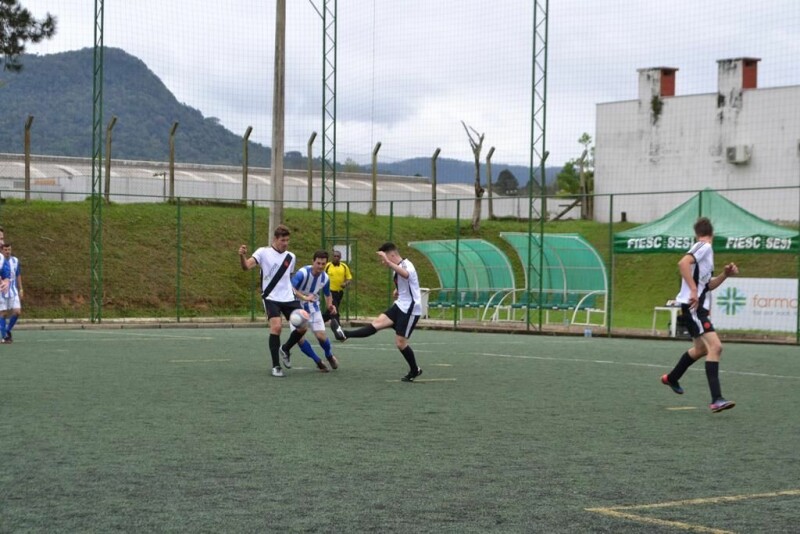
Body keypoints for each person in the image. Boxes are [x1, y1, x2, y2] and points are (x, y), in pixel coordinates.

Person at [661, 217, 739, 412]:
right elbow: (682, 263)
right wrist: (694, 290)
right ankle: (717, 399)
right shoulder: (703, 246)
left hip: (696, 307)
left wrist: (724, 275)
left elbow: (709, 285)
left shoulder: (706, 253)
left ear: (696, 232)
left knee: (701, 349)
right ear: (712, 234)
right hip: (694, 306)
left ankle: (671, 378)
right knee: (716, 346)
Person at [331, 242, 423, 382]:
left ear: (391, 255)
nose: (383, 262)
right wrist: (398, 290)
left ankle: (415, 369)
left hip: (411, 309)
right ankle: (344, 334)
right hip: (400, 305)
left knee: (400, 343)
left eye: (384, 258)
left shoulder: (407, 264)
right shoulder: (397, 267)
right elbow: (407, 282)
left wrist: (388, 262)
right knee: (377, 323)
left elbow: (406, 274)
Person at [239, 224, 308, 378]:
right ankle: (276, 366)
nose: (286, 243)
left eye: (288, 240)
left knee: (303, 326)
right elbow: (246, 267)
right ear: (275, 239)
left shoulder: (291, 257)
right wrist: (242, 256)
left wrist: (300, 296)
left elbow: (287, 280)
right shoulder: (263, 253)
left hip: (289, 298)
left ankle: (285, 349)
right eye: (283, 240)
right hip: (271, 297)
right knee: (276, 327)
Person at [283, 250, 340, 373]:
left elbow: (327, 293)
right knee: (300, 339)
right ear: (313, 262)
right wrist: (303, 297)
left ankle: (329, 355)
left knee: (321, 337)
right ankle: (318, 361)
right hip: (296, 310)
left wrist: (330, 305)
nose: (320, 266)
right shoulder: (302, 273)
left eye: (323, 264)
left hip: (313, 309)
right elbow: (290, 288)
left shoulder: (325, 278)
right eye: (318, 263)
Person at [323, 249, 352, 323]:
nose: (336, 257)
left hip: (339, 292)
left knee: (330, 312)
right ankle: (338, 328)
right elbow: (322, 276)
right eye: (334, 256)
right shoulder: (327, 266)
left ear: (340, 257)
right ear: (332, 257)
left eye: (338, 256)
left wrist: (345, 283)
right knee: (334, 310)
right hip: (330, 292)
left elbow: (349, 278)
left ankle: (319, 321)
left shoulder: (344, 266)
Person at [0, 242, 20, 343]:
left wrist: (21, 289)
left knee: (17, 312)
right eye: (5, 250)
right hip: (2, 290)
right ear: (2, 250)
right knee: (3, 314)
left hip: (13, 290)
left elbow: (18, 274)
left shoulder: (15, 260)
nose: (7, 252)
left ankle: (7, 331)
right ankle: (4, 337)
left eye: (9, 250)